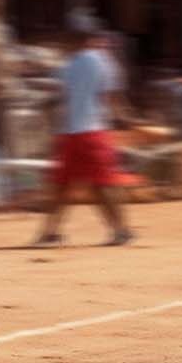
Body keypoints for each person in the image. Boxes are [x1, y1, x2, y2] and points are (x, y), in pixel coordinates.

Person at [31, 13, 134, 247]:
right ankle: (121, 230)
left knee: (61, 186)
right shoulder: (103, 61)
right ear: (91, 36)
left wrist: (47, 113)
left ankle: (50, 234)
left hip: (70, 133)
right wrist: (127, 118)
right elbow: (111, 97)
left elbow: (59, 98)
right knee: (102, 184)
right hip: (94, 131)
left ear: (72, 38)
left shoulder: (66, 66)